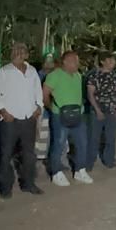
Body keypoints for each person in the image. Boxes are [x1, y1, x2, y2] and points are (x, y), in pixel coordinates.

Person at [0, 42, 44, 199]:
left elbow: (38, 91)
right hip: (10, 120)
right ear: (11, 53)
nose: (19, 53)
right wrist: (3, 111)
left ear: (27, 54)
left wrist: (39, 107)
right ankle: (5, 187)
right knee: (6, 154)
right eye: (16, 50)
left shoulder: (32, 71)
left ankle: (29, 183)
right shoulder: (4, 71)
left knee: (29, 154)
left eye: (23, 50)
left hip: (29, 117)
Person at [45, 50, 92, 186]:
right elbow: (45, 93)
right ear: (64, 61)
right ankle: (56, 173)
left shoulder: (78, 75)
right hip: (60, 115)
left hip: (78, 114)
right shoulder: (54, 75)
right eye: (73, 61)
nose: (76, 64)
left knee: (82, 142)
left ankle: (80, 170)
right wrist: (52, 108)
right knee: (59, 144)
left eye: (77, 61)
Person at [87, 51, 116, 170]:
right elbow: (90, 94)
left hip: (112, 109)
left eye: (113, 60)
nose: (112, 63)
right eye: (109, 60)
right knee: (94, 138)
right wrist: (97, 110)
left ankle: (109, 159)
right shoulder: (94, 75)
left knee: (110, 137)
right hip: (97, 109)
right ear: (102, 61)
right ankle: (90, 162)